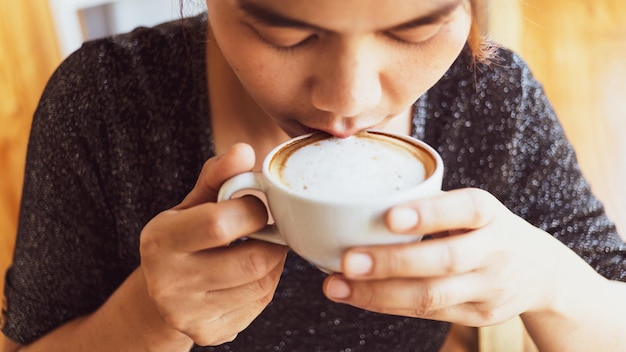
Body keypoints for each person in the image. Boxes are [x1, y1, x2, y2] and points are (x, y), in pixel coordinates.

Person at [2, 0, 626, 350]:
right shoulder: (104, 102)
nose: (347, 100)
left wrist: (551, 283)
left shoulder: (493, 101)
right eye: (287, 34)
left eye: (415, 30)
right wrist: (147, 317)